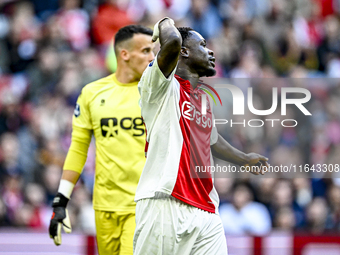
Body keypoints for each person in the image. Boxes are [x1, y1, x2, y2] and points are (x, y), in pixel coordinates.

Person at [133, 17, 269, 255]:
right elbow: (173, 39)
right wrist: (164, 22)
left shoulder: (203, 100)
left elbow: (213, 140)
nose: (211, 52)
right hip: (165, 203)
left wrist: (244, 158)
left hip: (206, 209)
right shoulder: (161, 87)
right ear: (183, 52)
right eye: (203, 45)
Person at [48, 25, 155, 255]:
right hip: (104, 206)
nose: (153, 57)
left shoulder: (156, 93)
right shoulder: (92, 93)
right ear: (124, 54)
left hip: (143, 205)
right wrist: (61, 201)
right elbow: (78, 149)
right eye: (146, 51)